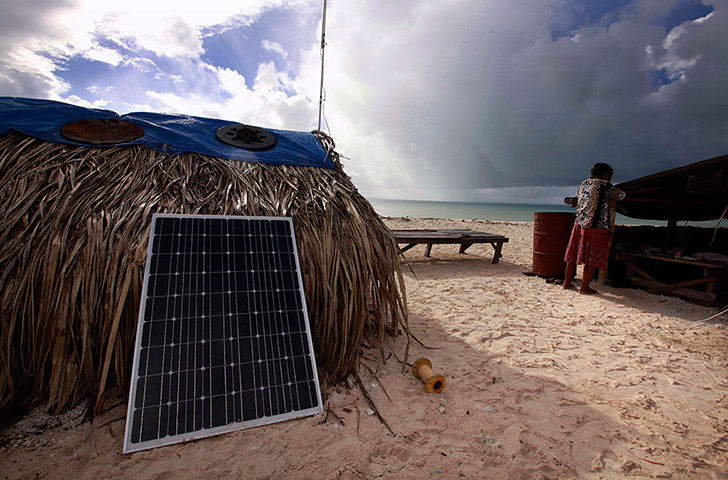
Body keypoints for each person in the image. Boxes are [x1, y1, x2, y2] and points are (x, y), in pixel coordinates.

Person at [563, 163, 625, 294]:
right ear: (606, 174)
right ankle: (584, 287)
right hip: (596, 226)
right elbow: (621, 195)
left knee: (572, 255)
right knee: (592, 258)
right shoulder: (605, 185)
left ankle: (566, 283)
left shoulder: (584, 184)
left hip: (579, 223)